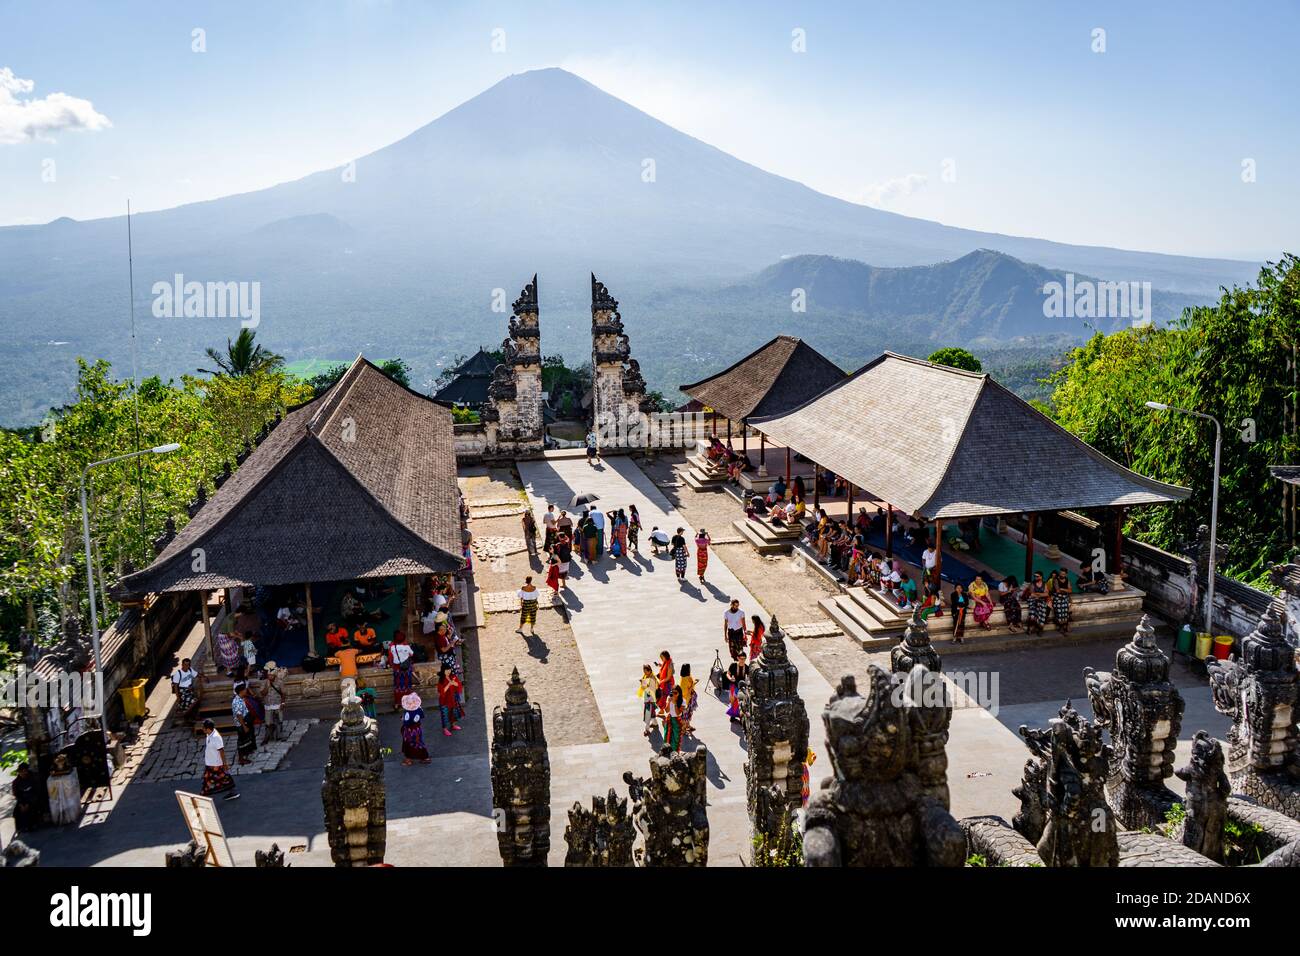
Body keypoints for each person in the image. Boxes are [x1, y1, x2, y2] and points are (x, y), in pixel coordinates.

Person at [200, 720, 239, 800]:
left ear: (208, 729)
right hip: (210, 763)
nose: (202, 729)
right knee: (219, 778)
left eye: (203, 728)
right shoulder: (209, 734)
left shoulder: (216, 737)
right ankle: (232, 792)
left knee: (218, 777)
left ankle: (203, 795)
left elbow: (221, 751)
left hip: (216, 764)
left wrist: (224, 764)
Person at [400, 692, 431, 764]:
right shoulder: (419, 709)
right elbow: (422, 716)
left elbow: (406, 722)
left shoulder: (407, 712)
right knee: (419, 742)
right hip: (418, 729)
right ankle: (425, 757)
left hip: (410, 730)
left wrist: (402, 719)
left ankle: (409, 759)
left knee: (408, 743)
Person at [231, 683, 258, 764]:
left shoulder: (241, 698)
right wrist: (244, 726)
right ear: (241, 691)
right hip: (242, 724)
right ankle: (241, 759)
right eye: (245, 690)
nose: (246, 691)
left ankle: (246, 752)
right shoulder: (237, 702)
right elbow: (239, 715)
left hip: (246, 722)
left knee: (247, 739)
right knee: (242, 741)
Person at [388, 631, 415, 711]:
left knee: (398, 686)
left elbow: (390, 658)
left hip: (397, 669)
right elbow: (412, 654)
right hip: (406, 668)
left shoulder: (392, 647)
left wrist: (393, 666)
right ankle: (408, 703)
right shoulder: (406, 646)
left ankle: (397, 703)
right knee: (407, 685)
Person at [11, 763, 41, 831]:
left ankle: (32, 825)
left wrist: (29, 803)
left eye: (24, 771)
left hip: (32, 799)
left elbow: (36, 791)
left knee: (31, 809)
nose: (23, 773)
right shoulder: (16, 782)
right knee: (17, 811)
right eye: (21, 771)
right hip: (22, 800)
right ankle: (21, 827)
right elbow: (16, 794)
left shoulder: (33, 779)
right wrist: (21, 804)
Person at [261, 662, 285, 743]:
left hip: (278, 704)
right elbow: (262, 694)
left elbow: (283, 694)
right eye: (268, 675)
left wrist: (283, 703)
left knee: (279, 721)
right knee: (268, 723)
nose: (269, 677)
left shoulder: (280, 682)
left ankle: (279, 736)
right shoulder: (264, 682)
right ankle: (269, 736)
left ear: (274, 675)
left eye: (271, 675)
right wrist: (267, 687)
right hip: (268, 705)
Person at [171, 657, 201, 722]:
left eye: (188, 665)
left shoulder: (190, 670)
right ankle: (185, 714)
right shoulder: (178, 674)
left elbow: (197, 674)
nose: (187, 666)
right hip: (183, 693)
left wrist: (203, 677)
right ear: (182, 665)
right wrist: (178, 697)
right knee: (194, 701)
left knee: (196, 702)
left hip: (190, 691)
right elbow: (176, 687)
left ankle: (191, 716)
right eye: (185, 665)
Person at [437, 665, 464, 736]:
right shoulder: (441, 680)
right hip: (444, 700)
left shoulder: (452, 677)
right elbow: (441, 691)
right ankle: (445, 729)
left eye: (449, 670)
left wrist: (454, 683)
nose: (448, 672)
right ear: (443, 671)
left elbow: (458, 685)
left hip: (452, 698)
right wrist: (449, 684)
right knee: (445, 714)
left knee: (453, 713)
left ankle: (453, 725)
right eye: (447, 671)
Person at [638, 664, 660, 738]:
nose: (644, 673)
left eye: (645, 671)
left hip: (650, 700)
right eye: (643, 671)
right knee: (652, 713)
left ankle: (646, 730)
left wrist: (643, 683)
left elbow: (651, 691)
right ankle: (655, 723)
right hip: (648, 700)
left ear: (650, 671)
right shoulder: (647, 676)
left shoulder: (652, 679)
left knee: (648, 715)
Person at [1049, 568, 1073, 636]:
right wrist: (1066, 590)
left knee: (1065, 608)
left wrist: (1062, 589)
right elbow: (1057, 591)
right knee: (1059, 609)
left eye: (1063, 574)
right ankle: (1061, 626)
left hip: (1065, 597)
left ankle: (1066, 624)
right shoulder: (1056, 580)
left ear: (1066, 574)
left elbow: (1070, 590)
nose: (1062, 575)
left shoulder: (1067, 580)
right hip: (1057, 597)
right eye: (1061, 573)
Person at [726, 652, 747, 723]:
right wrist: (730, 678)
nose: (743, 660)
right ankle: (733, 716)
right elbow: (728, 674)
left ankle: (738, 716)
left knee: (739, 702)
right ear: (738, 658)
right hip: (733, 685)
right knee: (733, 701)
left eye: (744, 659)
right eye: (741, 659)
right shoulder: (733, 665)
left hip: (741, 687)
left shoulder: (746, 667)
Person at [663, 685, 684, 752]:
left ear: (679, 693)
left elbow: (678, 713)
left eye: (676, 693)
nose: (673, 694)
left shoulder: (683, 701)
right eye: (672, 692)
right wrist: (669, 702)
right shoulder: (669, 698)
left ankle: (675, 753)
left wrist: (675, 703)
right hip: (669, 719)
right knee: (667, 737)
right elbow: (666, 710)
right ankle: (667, 752)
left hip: (677, 721)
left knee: (675, 739)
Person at [679, 663, 698, 736]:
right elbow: (686, 692)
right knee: (685, 716)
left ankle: (688, 726)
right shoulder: (684, 680)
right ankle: (683, 730)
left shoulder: (688, 676)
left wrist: (694, 682)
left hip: (689, 699)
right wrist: (694, 684)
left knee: (689, 713)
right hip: (685, 701)